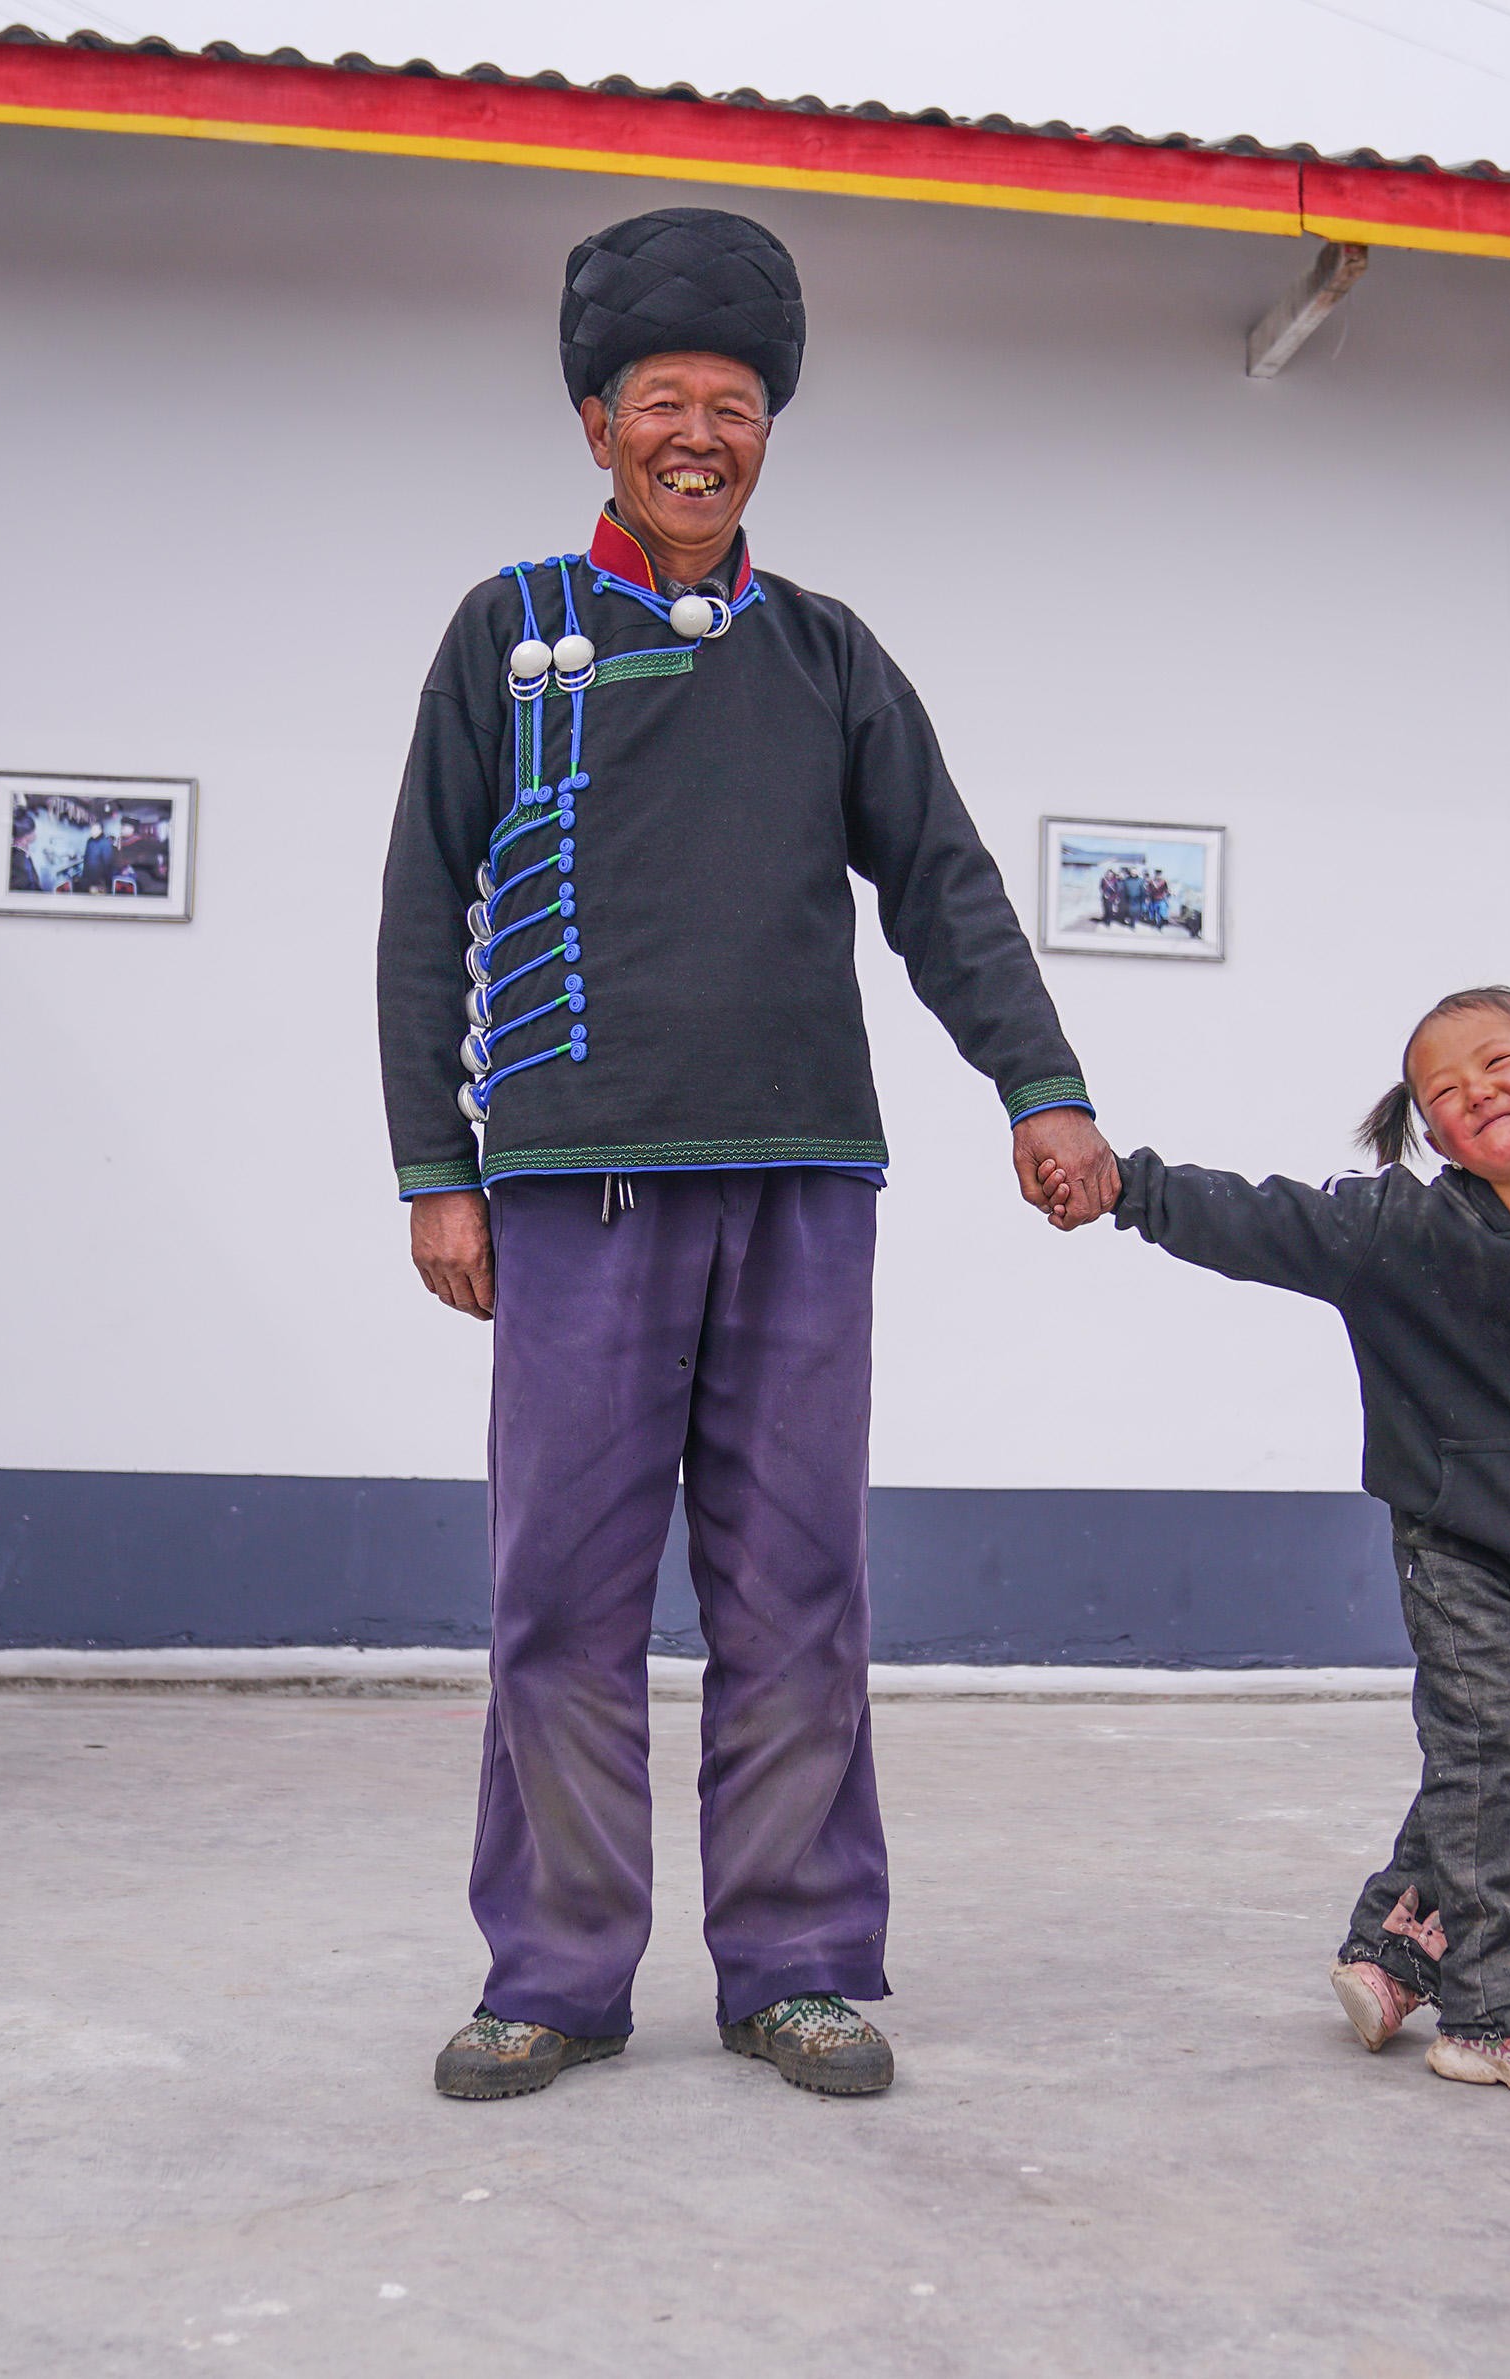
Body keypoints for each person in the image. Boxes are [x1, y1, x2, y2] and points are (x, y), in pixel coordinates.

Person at [379, 206, 1119, 2105]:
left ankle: (795, 1962)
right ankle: (555, 1972)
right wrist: (436, 1166)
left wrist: (1040, 1085)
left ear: (767, 433)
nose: (699, 435)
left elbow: (945, 886)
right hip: (573, 1190)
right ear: (596, 421)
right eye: (663, 401)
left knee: (798, 1587)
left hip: (800, 1181)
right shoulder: (509, 633)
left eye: (735, 406)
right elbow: (420, 912)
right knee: (561, 1594)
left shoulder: (825, 652)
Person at [1038, 977, 1510, 2099]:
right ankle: (1499, 2011)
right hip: (1453, 1546)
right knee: (1487, 1755)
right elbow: (1258, 1217)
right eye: (1442, 1092)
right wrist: (1125, 1183)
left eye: (1497, 1064)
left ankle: (1395, 1943)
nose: (1475, 1094)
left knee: (1490, 1765)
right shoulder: (1399, 1232)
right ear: (1432, 1133)